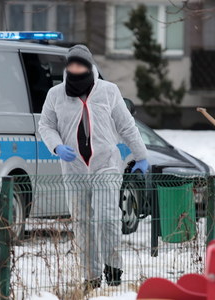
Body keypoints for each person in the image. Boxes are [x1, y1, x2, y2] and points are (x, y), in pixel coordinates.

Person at [38, 45, 149, 291]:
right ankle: (90, 275)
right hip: (74, 167)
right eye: (72, 65)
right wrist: (56, 146)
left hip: (106, 164)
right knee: (82, 222)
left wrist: (141, 156)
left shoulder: (108, 91)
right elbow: (45, 125)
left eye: (80, 65)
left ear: (89, 66)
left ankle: (113, 269)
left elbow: (127, 126)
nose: (76, 69)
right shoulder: (56, 94)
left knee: (107, 217)